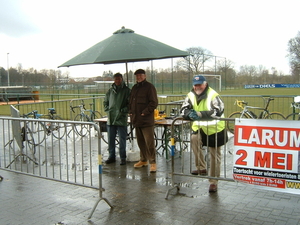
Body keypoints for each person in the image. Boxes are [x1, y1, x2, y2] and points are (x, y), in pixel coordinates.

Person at [180, 75, 228, 192]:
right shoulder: (190, 95)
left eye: (200, 84)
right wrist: (188, 114)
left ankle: (213, 181)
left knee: (214, 156)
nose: (198, 87)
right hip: (199, 128)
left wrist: (200, 114)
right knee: (194, 139)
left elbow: (218, 110)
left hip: (215, 129)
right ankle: (201, 167)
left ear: (205, 84)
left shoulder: (213, 95)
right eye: (196, 85)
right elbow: (183, 109)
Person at [129, 69, 158, 173]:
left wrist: (144, 112)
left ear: (145, 76)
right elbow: (130, 102)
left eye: (141, 75)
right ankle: (143, 160)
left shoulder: (149, 87)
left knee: (149, 142)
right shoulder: (134, 88)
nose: (139, 77)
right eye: (137, 76)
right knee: (140, 142)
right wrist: (130, 112)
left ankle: (153, 163)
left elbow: (154, 102)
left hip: (146, 120)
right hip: (136, 120)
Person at [104, 73, 131, 165]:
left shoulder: (127, 91)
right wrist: (109, 111)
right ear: (114, 80)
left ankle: (123, 157)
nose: (117, 81)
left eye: (119, 79)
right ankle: (111, 156)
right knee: (110, 139)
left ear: (122, 79)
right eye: (116, 79)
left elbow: (130, 104)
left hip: (121, 119)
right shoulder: (110, 91)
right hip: (111, 119)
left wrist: (122, 111)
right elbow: (105, 102)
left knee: (122, 139)